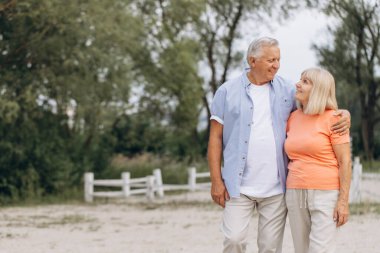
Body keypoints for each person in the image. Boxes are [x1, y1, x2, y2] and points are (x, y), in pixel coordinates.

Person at [207, 37, 350, 253]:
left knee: (270, 248)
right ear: (252, 60)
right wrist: (216, 180)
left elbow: (318, 102)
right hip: (237, 187)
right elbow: (215, 138)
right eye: (271, 60)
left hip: (276, 188)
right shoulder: (226, 92)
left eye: (278, 59)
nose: (276, 65)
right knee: (234, 240)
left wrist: (345, 114)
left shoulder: (288, 91)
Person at [285, 67, 351, 253]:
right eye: (300, 79)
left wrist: (343, 202)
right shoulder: (292, 118)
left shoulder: (335, 119)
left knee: (321, 250)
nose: (298, 84)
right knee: (302, 250)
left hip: (325, 194)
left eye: (305, 81)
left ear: (319, 89)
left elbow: (345, 161)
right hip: (294, 192)